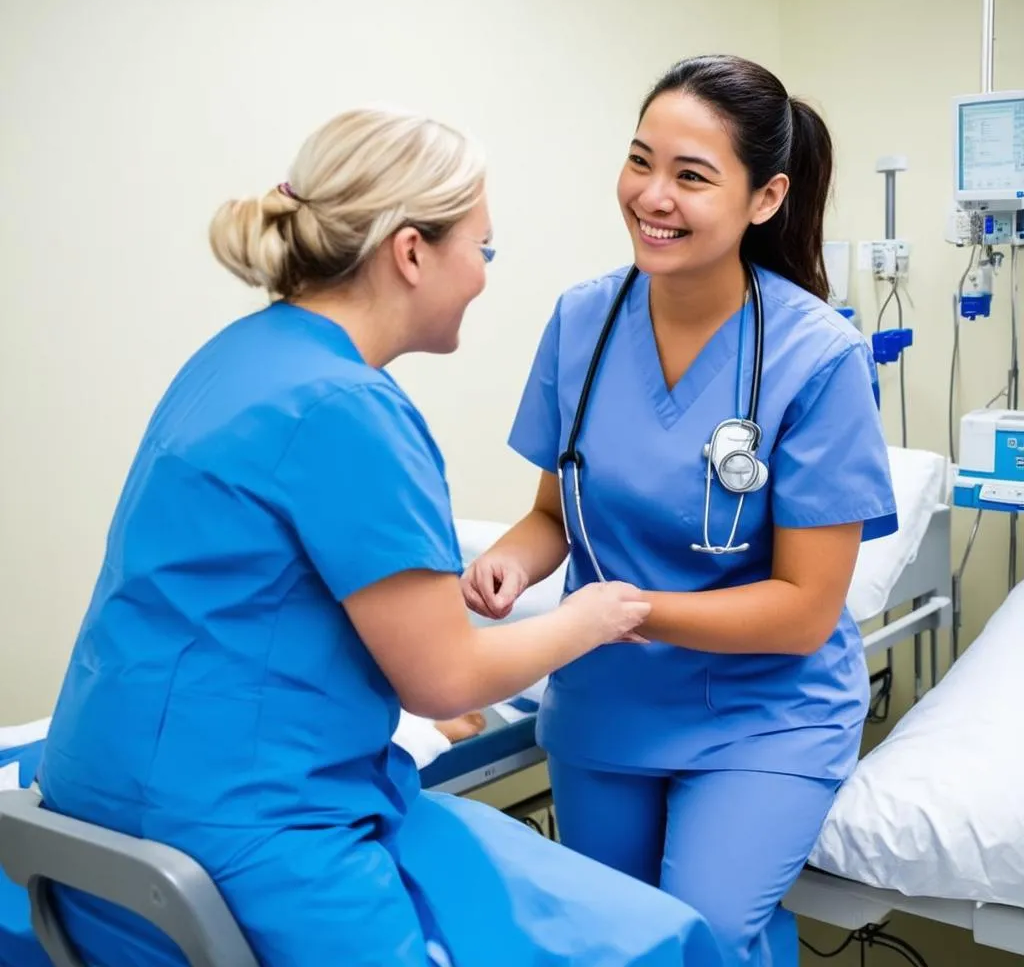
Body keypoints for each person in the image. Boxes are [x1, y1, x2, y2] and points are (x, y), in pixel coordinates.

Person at [36, 109, 724, 966]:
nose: (481, 277)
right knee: (660, 942)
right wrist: (594, 616)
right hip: (241, 841)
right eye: (482, 249)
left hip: (86, 819)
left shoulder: (237, 354)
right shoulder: (352, 408)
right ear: (409, 253)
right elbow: (446, 679)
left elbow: (251, 596)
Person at [461, 55, 898, 967]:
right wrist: (513, 560)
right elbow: (557, 512)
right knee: (612, 942)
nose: (652, 196)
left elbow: (805, 608)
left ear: (765, 198)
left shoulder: (817, 359)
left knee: (708, 933)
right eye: (640, 160)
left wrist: (618, 612)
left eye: (691, 176)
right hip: (608, 702)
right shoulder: (582, 321)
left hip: (763, 710)